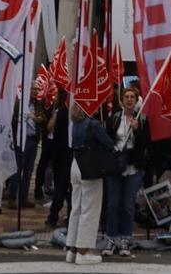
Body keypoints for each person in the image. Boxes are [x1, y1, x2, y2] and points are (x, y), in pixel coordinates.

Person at [66, 102, 114, 265]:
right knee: (90, 209)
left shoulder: (75, 124)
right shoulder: (93, 124)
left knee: (76, 208)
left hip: (76, 164)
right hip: (90, 166)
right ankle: (83, 251)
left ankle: (72, 249)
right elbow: (108, 143)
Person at [103, 87, 148, 257]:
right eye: (126, 97)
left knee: (128, 205)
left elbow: (146, 144)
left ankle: (125, 239)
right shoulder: (114, 118)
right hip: (115, 167)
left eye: (132, 97)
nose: (129, 100)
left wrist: (138, 131)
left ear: (137, 100)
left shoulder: (142, 119)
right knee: (113, 204)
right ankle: (111, 238)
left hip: (133, 168)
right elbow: (107, 139)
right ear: (121, 100)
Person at [45, 90, 72, 228]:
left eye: (56, 96)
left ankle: (52, 217)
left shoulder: (60, 112)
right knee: (70, 190)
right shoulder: (71, 113)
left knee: (60, 189)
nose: (54, 98)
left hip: (62, 157)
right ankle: (69, 218)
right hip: (68, 156)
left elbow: (49, 128)